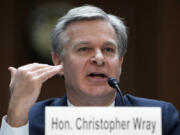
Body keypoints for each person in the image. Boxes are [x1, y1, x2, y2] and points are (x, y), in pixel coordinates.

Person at [0, 5, 179, 135]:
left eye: (108, 50)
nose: (99, 58)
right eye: (84, 49)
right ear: (58, 62)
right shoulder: (30, 120)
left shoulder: (160, 118)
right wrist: (16, 117)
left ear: (120, 62)